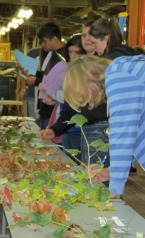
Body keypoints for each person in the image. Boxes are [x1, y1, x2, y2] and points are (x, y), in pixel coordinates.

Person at [63, 53, 145, 238]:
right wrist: (111, 171)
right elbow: (136, 131)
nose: (91, 101)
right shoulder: (125, 72)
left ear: (90, 84)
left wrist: (115, 188)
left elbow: (123, 132)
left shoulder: (118, 77)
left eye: (84, 95)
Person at [40, 19, 135, 167]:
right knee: (92, 177)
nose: (88, 42)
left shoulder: (110, 63)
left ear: (105, 38)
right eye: (84, 36)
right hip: (93, 128)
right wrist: (56, 129)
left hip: (102, 128)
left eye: (91, 39)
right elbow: (74, 103)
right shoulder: (98, 62)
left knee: (99, 179)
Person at [39, 35, 84, 163]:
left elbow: (72, 98)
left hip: (77, 128)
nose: (73, 55)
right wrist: (56, 101)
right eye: (70, 52)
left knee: (77, 163)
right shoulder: (70, 70)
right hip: (65, 123)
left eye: (77, 52)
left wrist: (50, 92)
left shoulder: (84, 74)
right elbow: (68, 99)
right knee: (67, 162)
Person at [23, 23, 65, 130]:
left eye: (44, 41)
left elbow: (56, 83)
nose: (42, 45)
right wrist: (34, 74)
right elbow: (49, 77)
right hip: (45, 106)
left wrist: (36, 81)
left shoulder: (63, 56)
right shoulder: (52, 54)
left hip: (54, 108)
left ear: (54, 39)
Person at [20, 47, 41, 119]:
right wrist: (23, 89)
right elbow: (23, 72)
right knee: (33, 120)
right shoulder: (33, 52)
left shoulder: (53, 53)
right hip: (32, 94)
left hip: (46, 96)